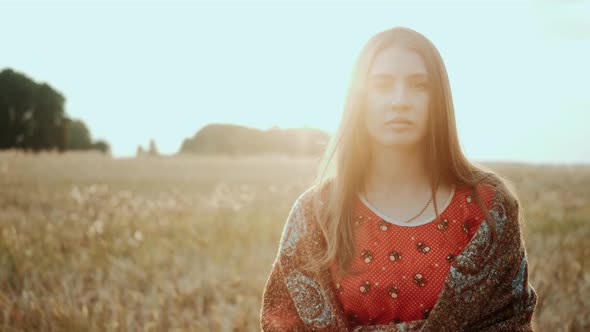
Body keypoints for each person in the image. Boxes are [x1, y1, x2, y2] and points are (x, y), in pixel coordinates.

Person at [260, 26, 538, 331]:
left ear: (439, 100)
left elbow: (508, 322)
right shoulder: (316, 213)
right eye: (382, 85)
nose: (399, 100)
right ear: (358, 99)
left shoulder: (488, 207)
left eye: (419, 86)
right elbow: (282, 321)